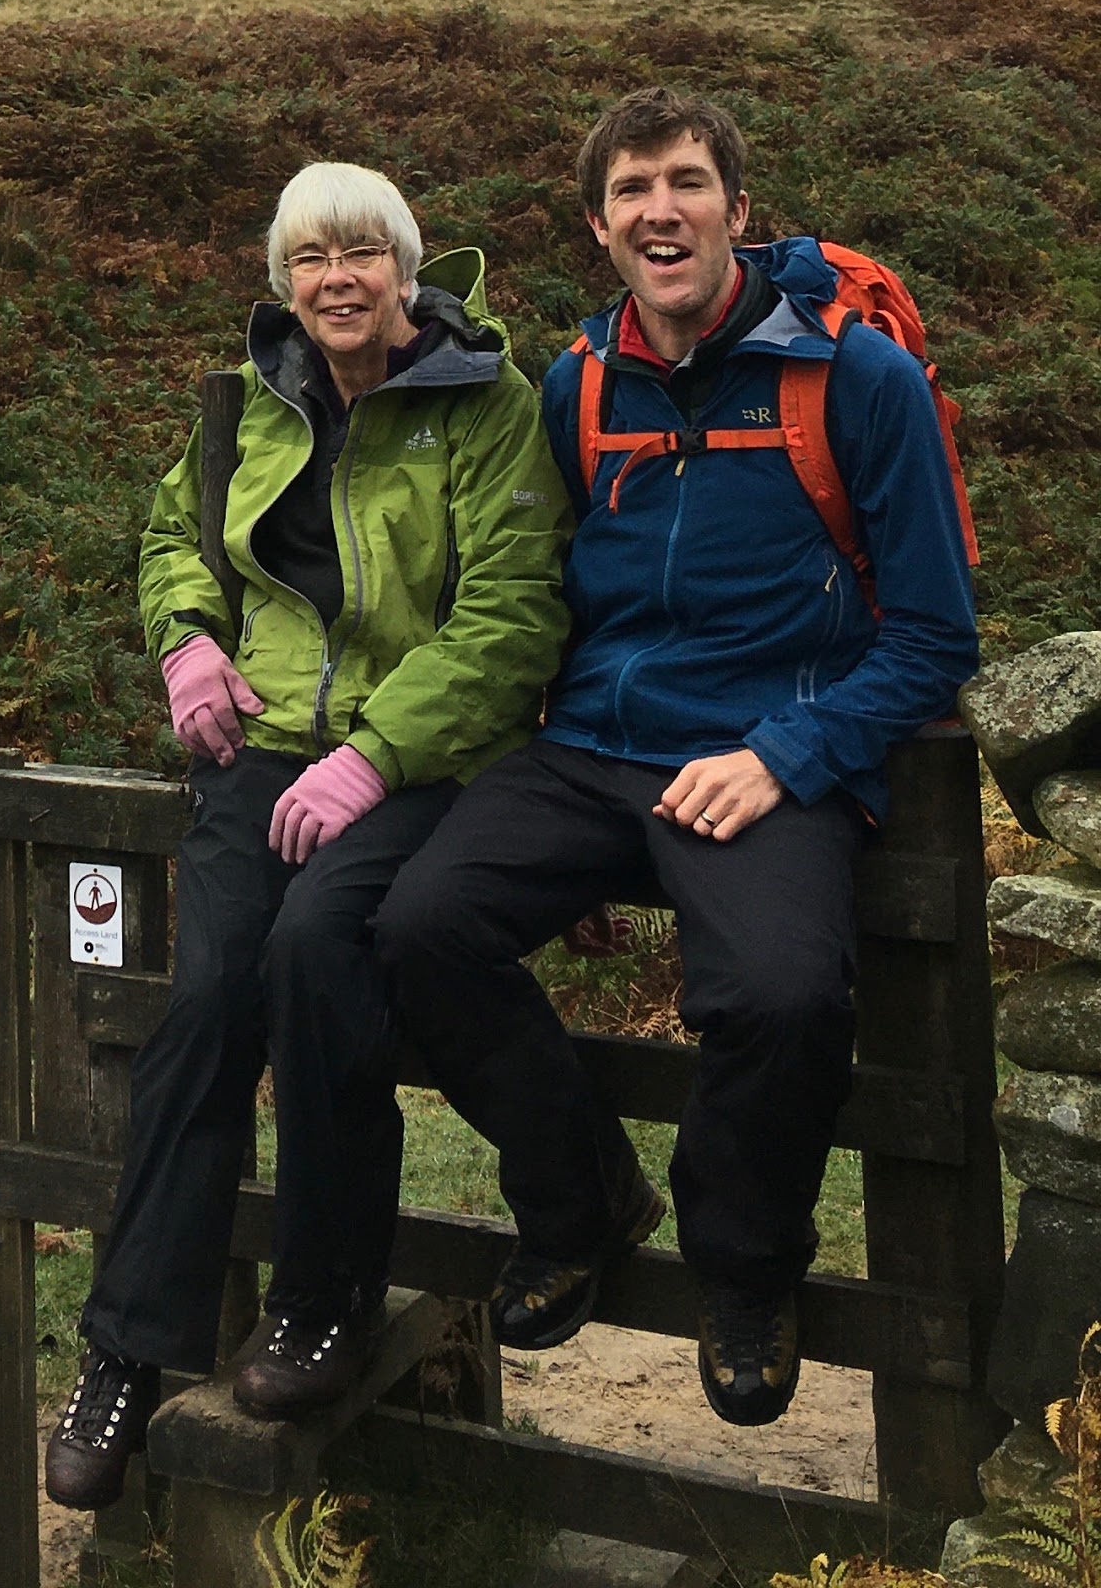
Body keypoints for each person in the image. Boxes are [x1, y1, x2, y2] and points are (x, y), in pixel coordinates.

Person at [374, 88, 978, 1428]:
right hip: (591, 744)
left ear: (738, 210)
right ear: (599, 228)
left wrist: (791, 751)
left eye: (687, 182)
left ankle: (744, 1271)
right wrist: (531, 786)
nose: (662, 210)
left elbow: (938, 637)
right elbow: (545, 598)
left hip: (768, 751)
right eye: (632, 190)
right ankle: (580, 1199)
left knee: (783, 998)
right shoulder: (577, 384)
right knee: (415, 927)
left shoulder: (856, 381)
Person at [44, 161, 572, 1510]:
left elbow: (513, 614)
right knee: (211, 998)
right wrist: (187, 641)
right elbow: (172, 534)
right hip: (263, 749)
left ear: (408, 269)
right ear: (284, 282)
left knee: (316, 960)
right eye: (309, 260)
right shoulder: (249, 400)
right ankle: (126, 1350)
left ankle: (323, 1301)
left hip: (421, 762)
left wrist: (374, 756)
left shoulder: (487, 404)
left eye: (361, 253)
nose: (336, 280)